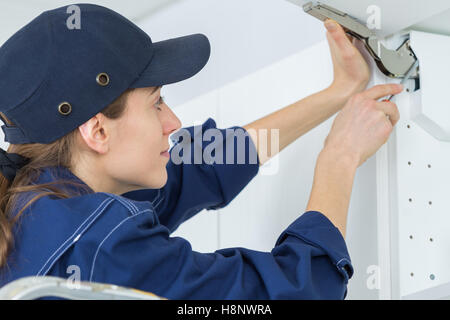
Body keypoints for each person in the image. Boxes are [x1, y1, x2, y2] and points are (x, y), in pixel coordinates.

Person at [0, 4, 403, 299]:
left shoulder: (34, 200)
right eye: (157, 101)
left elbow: (196, 170)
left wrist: (337, 94)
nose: (173, 122)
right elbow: (298, 291)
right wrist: (340, 157)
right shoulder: (104, 248)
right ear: (99, 131)